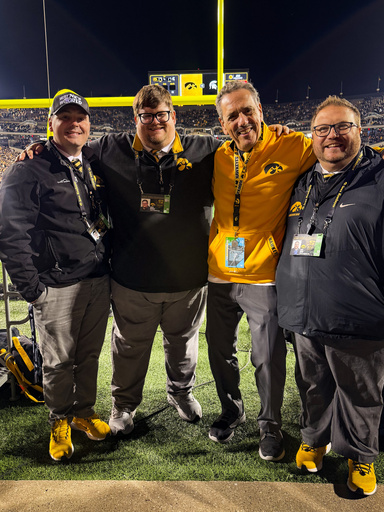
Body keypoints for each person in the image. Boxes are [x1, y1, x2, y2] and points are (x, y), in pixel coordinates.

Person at [276, 96, 384, 495]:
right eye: (322, 129)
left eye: (342, 127)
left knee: (360, 393)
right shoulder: (303, 180)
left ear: (361, 131)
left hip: (359, 314)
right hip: (304, 313)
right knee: (312, 386)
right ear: (312, 136)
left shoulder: (378, 178)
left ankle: (361, 457)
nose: (331, 136)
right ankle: (314, 440)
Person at [206, 81, 316, 461]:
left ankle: (270, 426)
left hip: (264, 275)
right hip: (220, 273)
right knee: (219, 350)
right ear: (222, 124)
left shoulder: (294, 146)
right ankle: (231, 409)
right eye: (232, 115)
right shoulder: (218, 155)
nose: (241, 120)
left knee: (267, 356)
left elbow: (340, 151)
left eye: (247, 110)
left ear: (261, 111)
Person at [0, 91, 111, 461]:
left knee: (90, 355)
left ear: (89, 124)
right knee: (59, 360)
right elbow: (9, 232)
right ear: (51, 123)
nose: (74, 123)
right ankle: (59, 419)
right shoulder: (27, 168)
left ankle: (83, 412)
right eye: (65, 117)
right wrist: (32, 289)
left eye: (80, 117)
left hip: (97, 277)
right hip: (57, 284)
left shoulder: (93, 160)